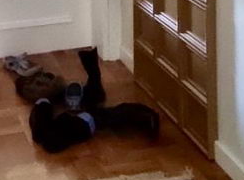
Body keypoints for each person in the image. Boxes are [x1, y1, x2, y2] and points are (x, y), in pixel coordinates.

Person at [17, 47, 160, 154]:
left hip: (62, 125)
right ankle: (94, 84)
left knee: (47, 136)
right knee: (50, 137)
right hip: (69, 125)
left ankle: (93, 83)